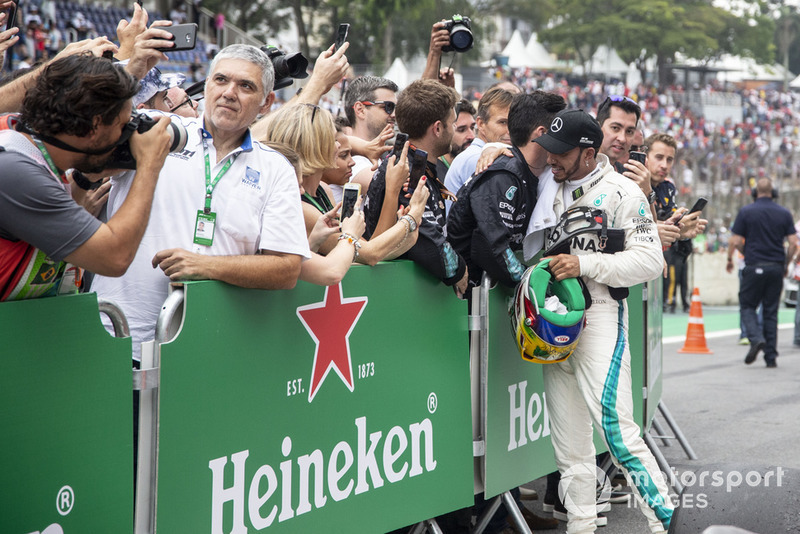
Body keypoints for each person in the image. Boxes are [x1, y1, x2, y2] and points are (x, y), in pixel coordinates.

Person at [92, 44, 310, 359]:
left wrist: (206, 266)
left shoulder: (275, 169)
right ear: (206, 86)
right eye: (220, 80)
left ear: (267, 103)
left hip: (207, 348)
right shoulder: (157, 128)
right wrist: (130, 65)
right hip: (120, 335)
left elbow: (286, 269)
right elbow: (85, 133)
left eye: (246, 86)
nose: (229, 92)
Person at [535, 109, 673, 533]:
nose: (552, 159)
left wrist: (585, 264)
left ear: (589, 153)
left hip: (599, 318)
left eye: (561, 153)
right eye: (548, 151)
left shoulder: (622, 192)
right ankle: (581, 525)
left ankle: (666, 521)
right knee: (569, 448)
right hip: (551, 324)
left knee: (617, 431)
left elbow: (651, 261)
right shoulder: (543, 183)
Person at [0, 54, 171, 301]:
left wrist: (85, 177)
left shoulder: (23, 140)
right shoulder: (15, 170)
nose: (127, 136)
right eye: (123, 126)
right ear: (95, 126)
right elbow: (114, 257)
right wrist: (149, 164)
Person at [261, 103, 425, 265]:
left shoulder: (324, 189)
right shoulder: (299, 206)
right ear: (315, 146)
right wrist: (409, 216)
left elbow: (365, 251)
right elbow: (368, 254)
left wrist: (409, 231)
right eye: (333, 140)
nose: (339, 145)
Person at [447, 91, 565, 288]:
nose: (564, 143)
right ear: (543, 134)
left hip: (493, 297)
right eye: (560, 134)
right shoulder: (503, 174)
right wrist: (534, 283)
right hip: (466, 298)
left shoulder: (537, 172)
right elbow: (492, 247)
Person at [363, 78, 470, 297]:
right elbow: (426, 237)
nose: (454, 131)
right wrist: (459, 271)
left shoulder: (415, 162)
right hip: (397, 298)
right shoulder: (406, 169)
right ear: (438, 128)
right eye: (453, 124)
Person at [726, 177, 797, 368]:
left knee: (748, 306)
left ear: (755, 193)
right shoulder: (784, 213)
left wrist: (740, 254)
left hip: (754, 265)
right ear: (773, 193)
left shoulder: (746, 211)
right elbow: (793, 244)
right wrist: (785, 263)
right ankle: (771, 357)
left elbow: (735, 241)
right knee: (771, 312)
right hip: (775, 267)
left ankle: (756, 338)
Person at [644, 133, 705, 312]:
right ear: (645, 156)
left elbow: (669, 218)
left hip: (660, 258)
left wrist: (684, 224)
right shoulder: (631, 180)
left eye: (669, 160)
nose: (664, 165)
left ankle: (670, 302)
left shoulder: (667, 188)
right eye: (659, 157)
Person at [444, 87, 514, 213]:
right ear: (481, 124)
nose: (510, 130)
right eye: (503, 122)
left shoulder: (486, 154)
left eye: (514, 123)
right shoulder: (477, 159)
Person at [342, 75, 397, 189]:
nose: (394, 114)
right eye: (388, 106)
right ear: (360, 110)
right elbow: (389, 187)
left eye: (397, 107)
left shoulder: (381, 157)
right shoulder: (348, 160)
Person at [436, 98, 475, 179]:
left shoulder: (478, 165)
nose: (471, 136)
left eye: (472, 127)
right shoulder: (435, 174)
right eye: (461, 130)